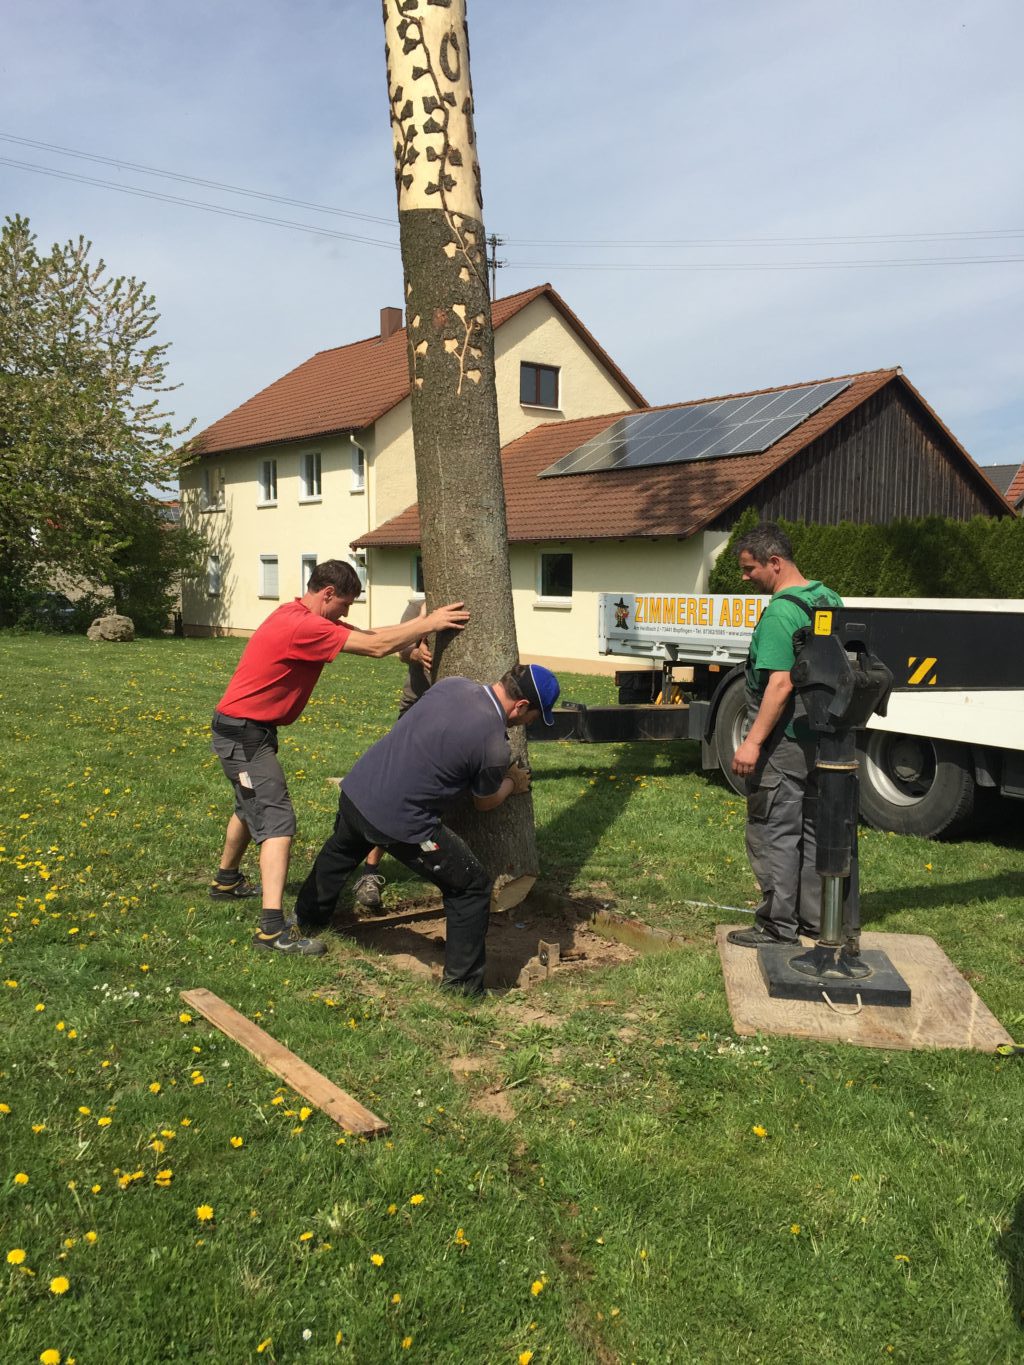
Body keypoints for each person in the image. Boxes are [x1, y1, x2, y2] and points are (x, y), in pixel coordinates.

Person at [208, 560, 469, 955]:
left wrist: (417, 632)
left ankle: (226, 881)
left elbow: (370, 637)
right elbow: (376, 647)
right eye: (345, 603)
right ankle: (271, 931)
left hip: (245, 730)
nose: (346, 612)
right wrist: (429, 623)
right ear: (328, 593)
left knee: (250, 805)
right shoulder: (304, 626)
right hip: (244, 734)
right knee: (277, 820)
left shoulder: (298, 615)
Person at [291, 663, 561, 993]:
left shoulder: (452, 685)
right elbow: (484, 802)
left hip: (359, 790)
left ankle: (305, 919)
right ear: (521, 705)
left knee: (341, 851)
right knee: (471, 886)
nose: (530, 723)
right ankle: (462, 987)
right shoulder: (493, 744)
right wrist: (511, 783)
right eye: (534, 716)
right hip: (400, 820)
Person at [726, 523, 847, 948]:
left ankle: (777, 926)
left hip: (784, 739)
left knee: (773, 828)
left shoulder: (780, 612)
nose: (745, 577)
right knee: (813, 828)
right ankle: (814, 919)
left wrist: (753, 742)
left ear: (774, 562)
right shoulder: (826, 598)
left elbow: (779, 684)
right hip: (822, 734)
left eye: (750, 568)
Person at [350, 600, 431, 913]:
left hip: (453, 715)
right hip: (416, 709)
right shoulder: (418, 606)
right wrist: (416, 654)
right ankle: (370, 872)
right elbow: (401, 649)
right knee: (395, 789)